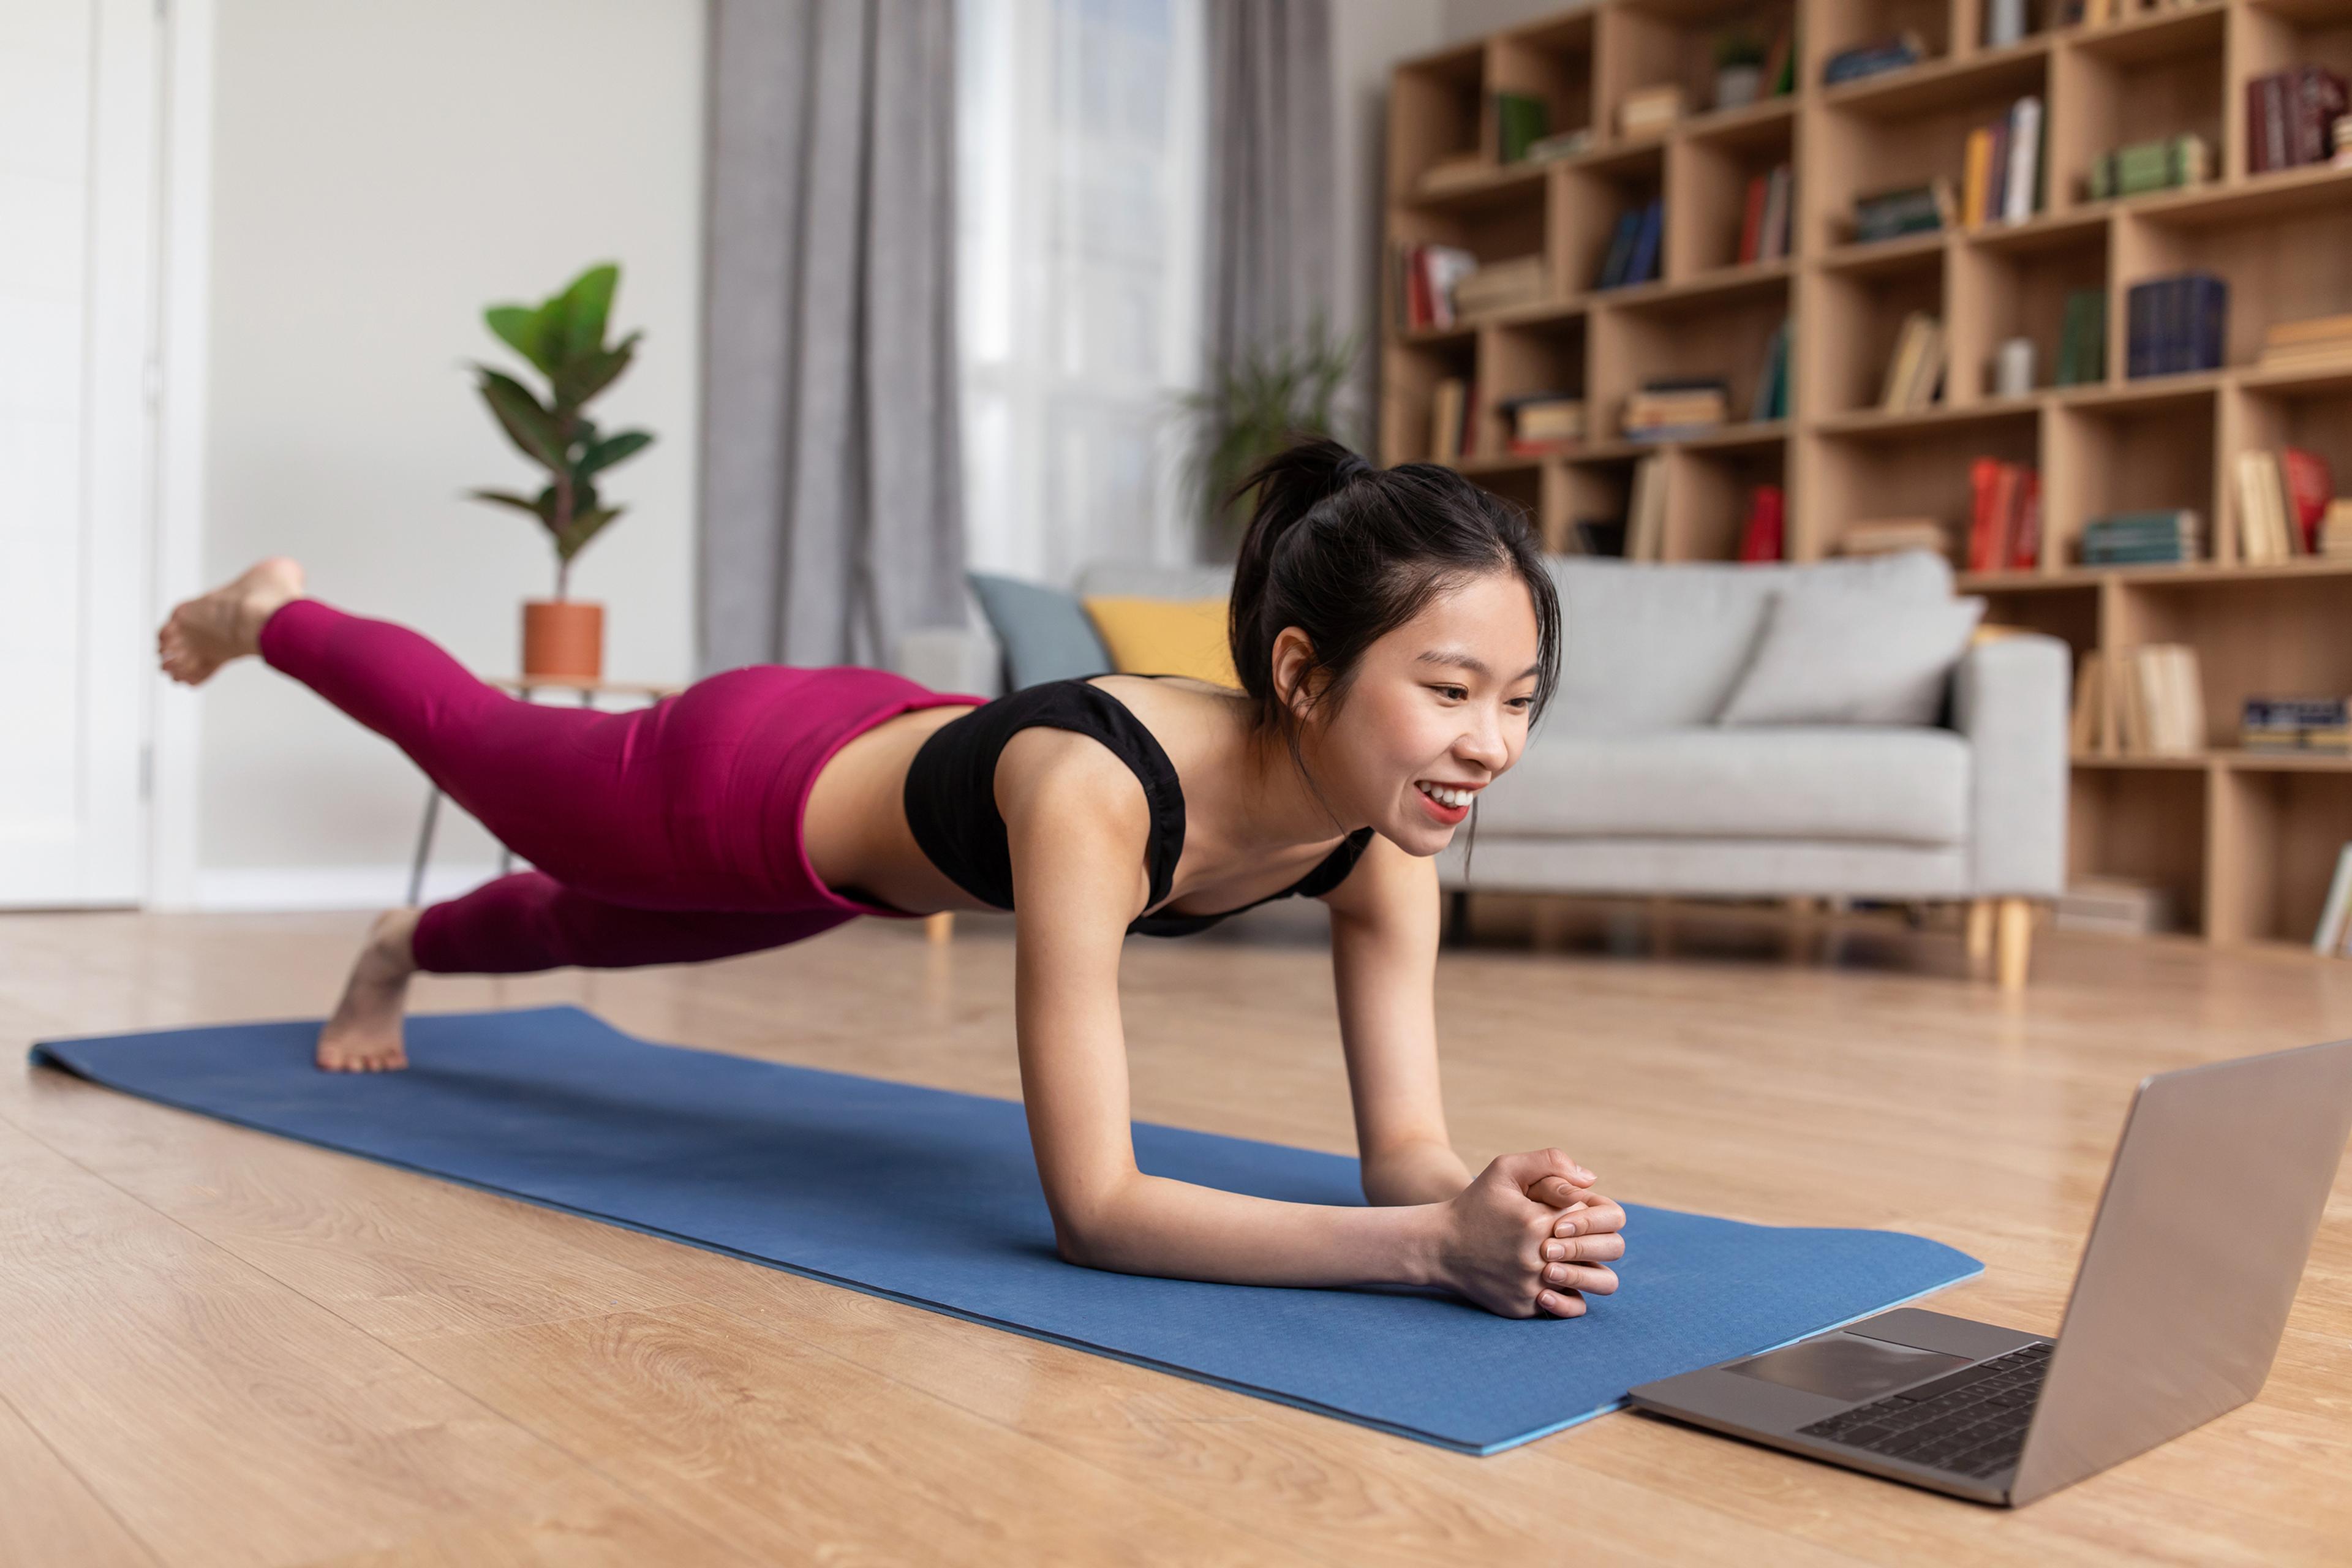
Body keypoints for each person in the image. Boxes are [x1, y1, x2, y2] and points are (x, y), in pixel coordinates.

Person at [156, 437, 1626, 1319]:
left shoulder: (1383, 842)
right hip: (744, 778)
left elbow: (1407, 1155)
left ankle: (401, 943)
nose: (1489, 743)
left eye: (1520, 697)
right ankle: (276, 611)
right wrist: (1427, 1252)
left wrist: (1490, 1196)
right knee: (490, 744)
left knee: (600, 928)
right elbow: (1098, 1206)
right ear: (1300, 672)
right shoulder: (1095, 793)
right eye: (1450, 690)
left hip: (860, 846)